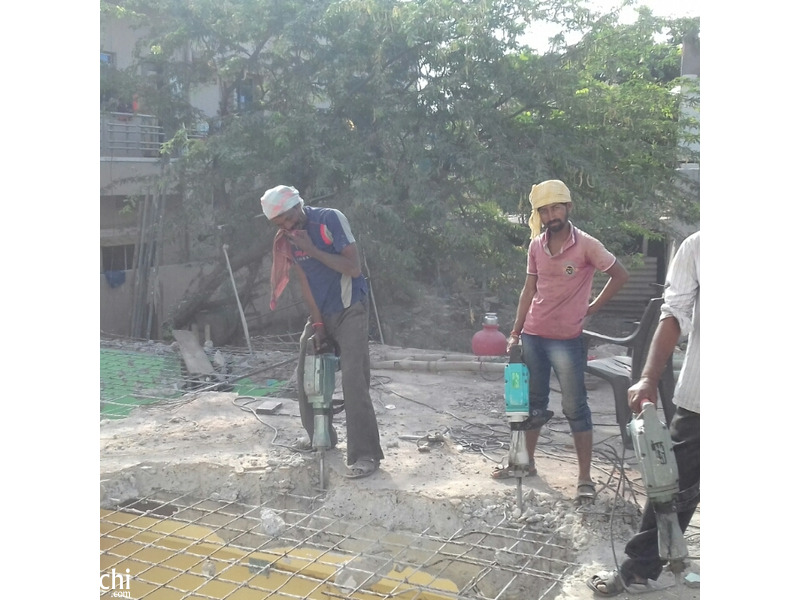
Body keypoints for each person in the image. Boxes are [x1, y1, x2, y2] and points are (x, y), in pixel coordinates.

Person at [494, 179, 629, 503]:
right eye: (544, 210)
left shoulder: (586, 245)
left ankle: (584, 479)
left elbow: (620, 274)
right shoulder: (536, 246)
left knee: (575, 407)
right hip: (534, 336)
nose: (551, 215)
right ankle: (524, 464)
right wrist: (515, 332)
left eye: (556, 208)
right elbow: (529, 290)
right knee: (532, 404)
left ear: (568, 207)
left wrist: (593, 306)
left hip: (567, 340)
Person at [587, 230, 700, 596]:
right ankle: (639, 569)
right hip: (703, 395)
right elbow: (675, 313)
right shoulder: (698, 247)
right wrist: (649, 378)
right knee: (672, 484)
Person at [260, 184, 384, 479]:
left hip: (350, 308)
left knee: (354, 380)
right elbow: (304, 281)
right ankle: (320, 435)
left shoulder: (329, 220)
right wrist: (317, 326)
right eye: (279, 223)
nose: (287, 226)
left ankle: (365, 454)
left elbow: (353, 268)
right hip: (322, 312)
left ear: (298, 205)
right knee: (306, 371)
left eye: (288, 218)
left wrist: (311, 250)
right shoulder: (289, 239)